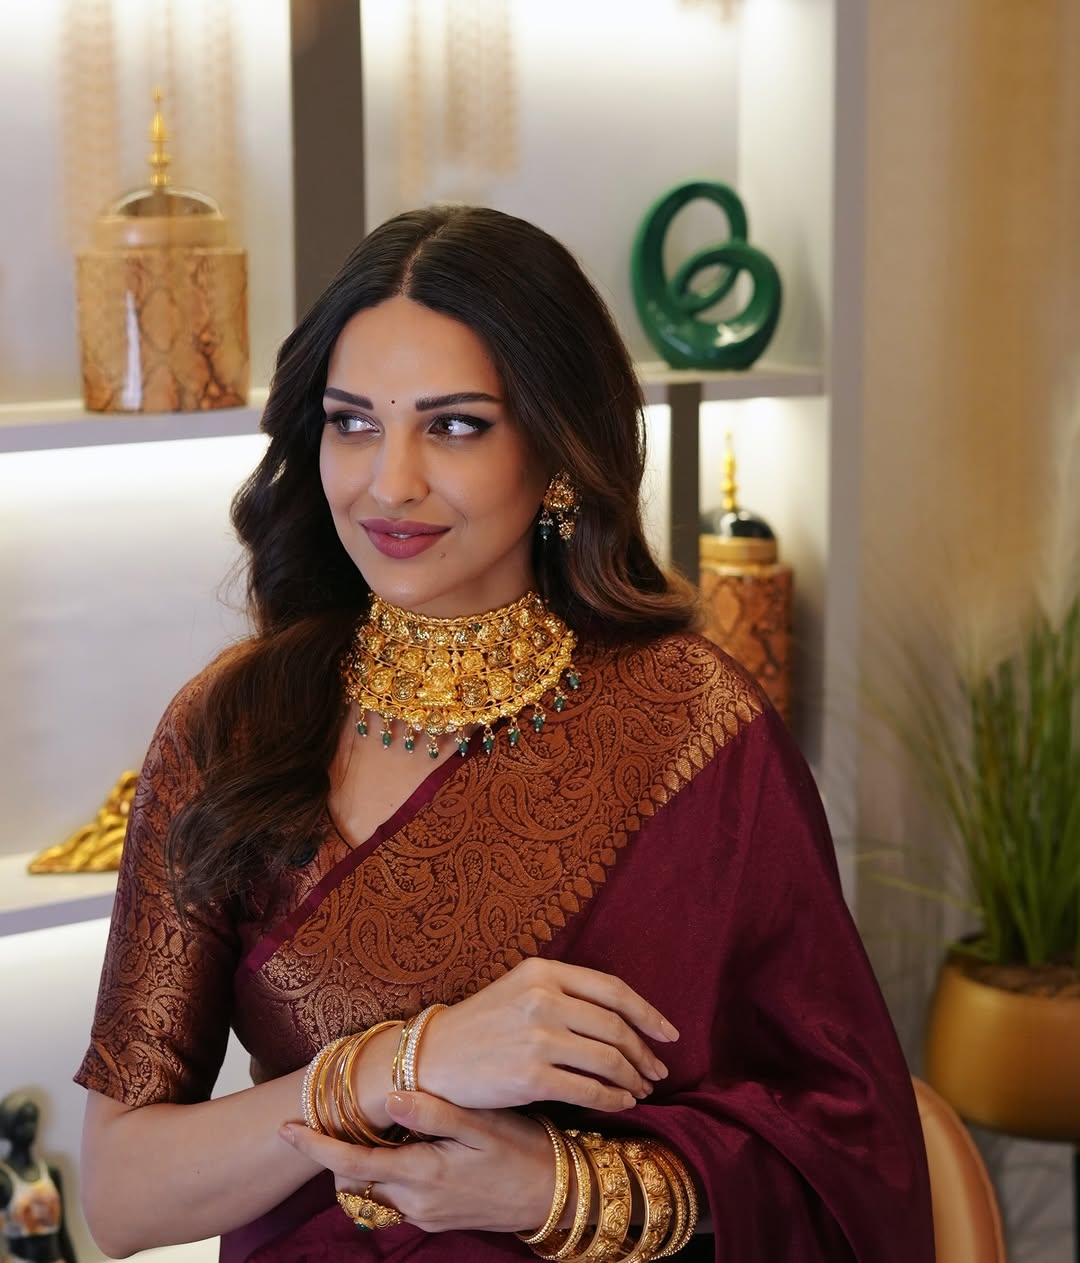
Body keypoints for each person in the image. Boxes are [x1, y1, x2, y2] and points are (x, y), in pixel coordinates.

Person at [75, 205, 934, 1262]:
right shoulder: (234, 727)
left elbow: (847, 1154)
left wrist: (554, 1186)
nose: (391, 482)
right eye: (352, 422)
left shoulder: (690, 727)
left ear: (557, 451)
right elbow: (123, 1195)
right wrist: (406, 1062)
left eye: (455, 426)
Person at [0, 1092, 77, 1263]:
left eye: (32, 1120)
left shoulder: (51, 1173)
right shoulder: (3, 1178)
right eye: (22, 1121)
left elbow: (62, 1232)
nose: (30, 1127)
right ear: (8, 1124)